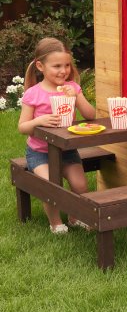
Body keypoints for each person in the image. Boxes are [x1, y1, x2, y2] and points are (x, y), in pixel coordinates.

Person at [18, 37, 96, 234]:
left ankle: (75, 216)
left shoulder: (72, 89)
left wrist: (76, 97)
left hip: (67, 151)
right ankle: (55, 222)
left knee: (80, 185)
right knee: (50, 186)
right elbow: (22, 127)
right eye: (57, 66)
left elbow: (90, 115)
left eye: (67, 65)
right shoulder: (34, 93)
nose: (63, 71)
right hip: (40, 153)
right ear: (40, 66)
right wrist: (39, 121)